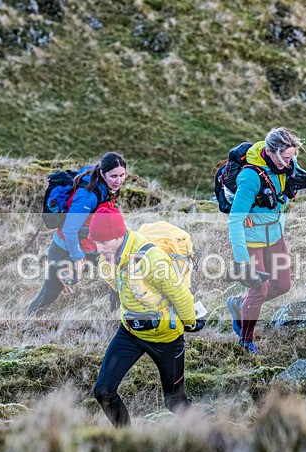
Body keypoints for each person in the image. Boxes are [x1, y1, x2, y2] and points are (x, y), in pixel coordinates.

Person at [89, 206, 204, 427]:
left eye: (103, 242)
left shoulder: (153, 259)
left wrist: (190, 322)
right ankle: (127, 441)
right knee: (103, 390)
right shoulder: (108, 258)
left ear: (119, 236)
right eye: (96, 242)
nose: (99, 248)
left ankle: (208, 432)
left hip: (166, 337)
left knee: (174, 402)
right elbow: (117, 286)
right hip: (130, 333)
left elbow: (180, 294)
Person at [225, 127, 306, 355]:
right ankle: (246, 341)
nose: (290, 162)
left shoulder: (287, 164)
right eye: (285, 158)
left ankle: (239, 304)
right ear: (271, 151)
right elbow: (235, 221)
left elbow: (301, 179)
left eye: (292, 157)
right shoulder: (250, 177)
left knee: (283, 285)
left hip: (275, 236)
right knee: (259, 290)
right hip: (252, 242)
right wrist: (242, 262)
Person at [28, 152, 127, 316]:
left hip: (92, 248)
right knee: (49, 293)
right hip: (65, 249)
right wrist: (78, 258)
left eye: (122, 175)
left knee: (117, 277)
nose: (118, 181)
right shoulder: (88, 196)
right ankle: (28, 321)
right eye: (114, 176)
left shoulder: (104, 186)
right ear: (102, 173)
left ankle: (116, 317)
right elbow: (69, 230)